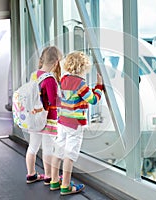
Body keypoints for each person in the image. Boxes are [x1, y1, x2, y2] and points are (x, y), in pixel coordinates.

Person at [50, 51, 103, 195]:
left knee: (58, 151)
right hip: (75, 124)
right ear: (82, 68)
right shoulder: (81, 83)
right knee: (70, 155)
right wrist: (99, 86)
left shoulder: (63, 79)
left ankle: (54, 181)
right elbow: (93, 99)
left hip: (62, 122)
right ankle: (66, 186)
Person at [25, 46, 62, 185]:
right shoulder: (50, 79)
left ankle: (31, 174)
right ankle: (48, 176)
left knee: (33, 147)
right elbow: (53, 101)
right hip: (48, 119)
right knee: (48, 148)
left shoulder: (34, 74)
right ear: (56, 62)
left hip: (34, 117)